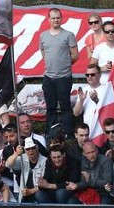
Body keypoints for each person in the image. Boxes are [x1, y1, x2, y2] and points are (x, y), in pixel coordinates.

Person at [39, 8, 80, 137]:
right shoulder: (43, 35)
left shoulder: (68, 35)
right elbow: (43, 52)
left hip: (64, 77)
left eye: (58, 17)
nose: (56, 20)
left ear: (61, 19)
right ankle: (49, 133)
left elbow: (75, 55)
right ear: (48, 19)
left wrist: (65, 65)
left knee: (65, 107)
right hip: (48, 77)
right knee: (50, 108)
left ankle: (68, 134)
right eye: (53, 18)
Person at [72, 64, 107, 133]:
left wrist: (96, 100)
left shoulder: (106, 89)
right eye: (87, 75)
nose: (89, 77)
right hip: (88, 131)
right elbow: (76, 113)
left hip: (103, 129)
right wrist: (81, 101)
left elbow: (108, 110)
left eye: (92, 74)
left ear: (99, 75)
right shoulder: (84, 90)